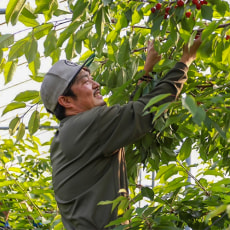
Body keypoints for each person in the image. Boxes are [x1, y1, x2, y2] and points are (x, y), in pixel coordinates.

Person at [40, 36, 202, 230]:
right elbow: (144, 112)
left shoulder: (72, 131)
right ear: (66, 101)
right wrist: (185, 61)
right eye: (86, 81)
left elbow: (128, 116)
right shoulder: (90, 124)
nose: (96, 83)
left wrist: (146, 75)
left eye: (91, 77)